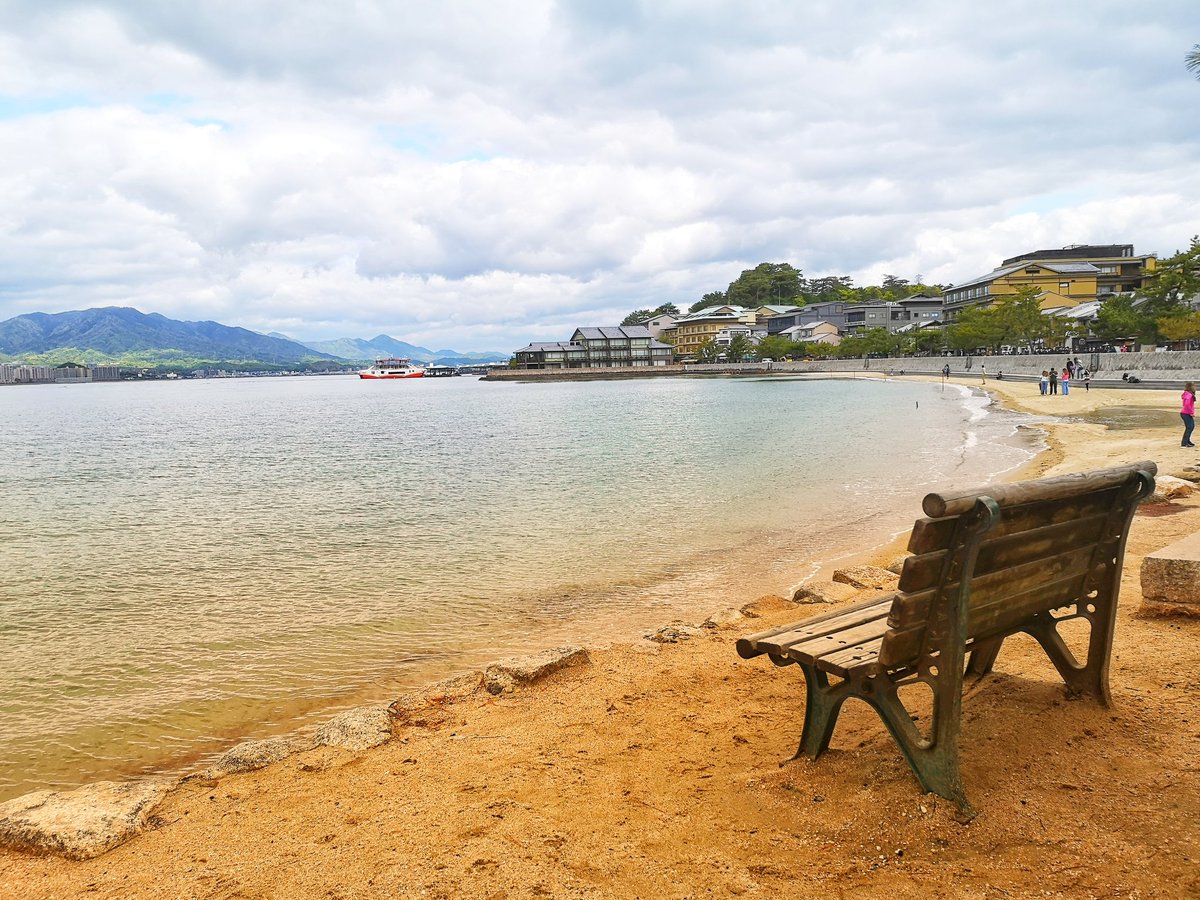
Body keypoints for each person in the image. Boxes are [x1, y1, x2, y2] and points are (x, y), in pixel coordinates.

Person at [1182, 382, 1196, 447]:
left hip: (1185, 413)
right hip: (1186, 413)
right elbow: (1187, 404)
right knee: (1190, 427)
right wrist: (1191, 412)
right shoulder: (1189, 395)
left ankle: (1187, 441)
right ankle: (1184, 443)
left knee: (1190, 427)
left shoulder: (1186, 394)